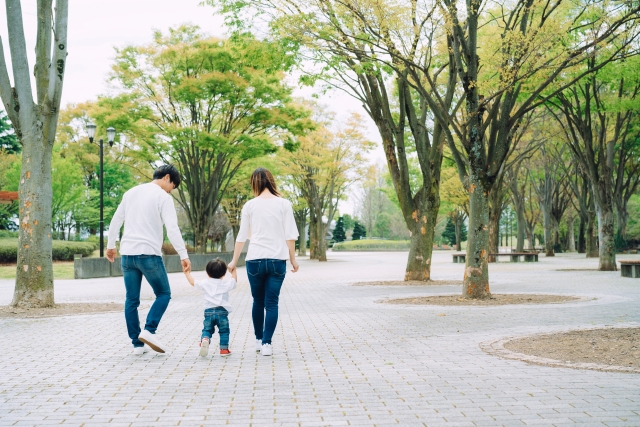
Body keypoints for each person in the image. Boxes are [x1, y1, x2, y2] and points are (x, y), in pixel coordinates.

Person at [106, 165, 191, 355]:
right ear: (167, 178)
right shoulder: (163, 197)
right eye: (173, 186)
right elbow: (172, 229)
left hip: (127, 255)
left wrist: (111, 245)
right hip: (149, 254)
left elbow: (116, 220)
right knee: (163, 293)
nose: (171, 190)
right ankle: (149, 330)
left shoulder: (130, 193)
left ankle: (137, 345)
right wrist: (183, 255)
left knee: (131, 299)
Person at [227, 167, 299, 356]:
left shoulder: (249, 205)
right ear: (271, 181)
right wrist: (293, 259)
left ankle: (258, 340)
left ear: (254, 183)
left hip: (255, 261)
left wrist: (234, 261)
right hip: (277, 260)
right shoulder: (284, 204)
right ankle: (267, 343)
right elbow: (290, 236)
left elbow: (242, 236)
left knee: (257, 301)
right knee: (272, 303)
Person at [184, 258, 237, 357]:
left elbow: (193, 282)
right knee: (224, 331)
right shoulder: (226, 284)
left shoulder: (205, 283)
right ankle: (224, 350)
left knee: (207, 329)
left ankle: (205, 339)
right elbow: (234, 281)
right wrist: (234, 270)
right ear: (224, 273)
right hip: (222, 313)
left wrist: (187, 273)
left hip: (208, 312)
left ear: (208, 273)